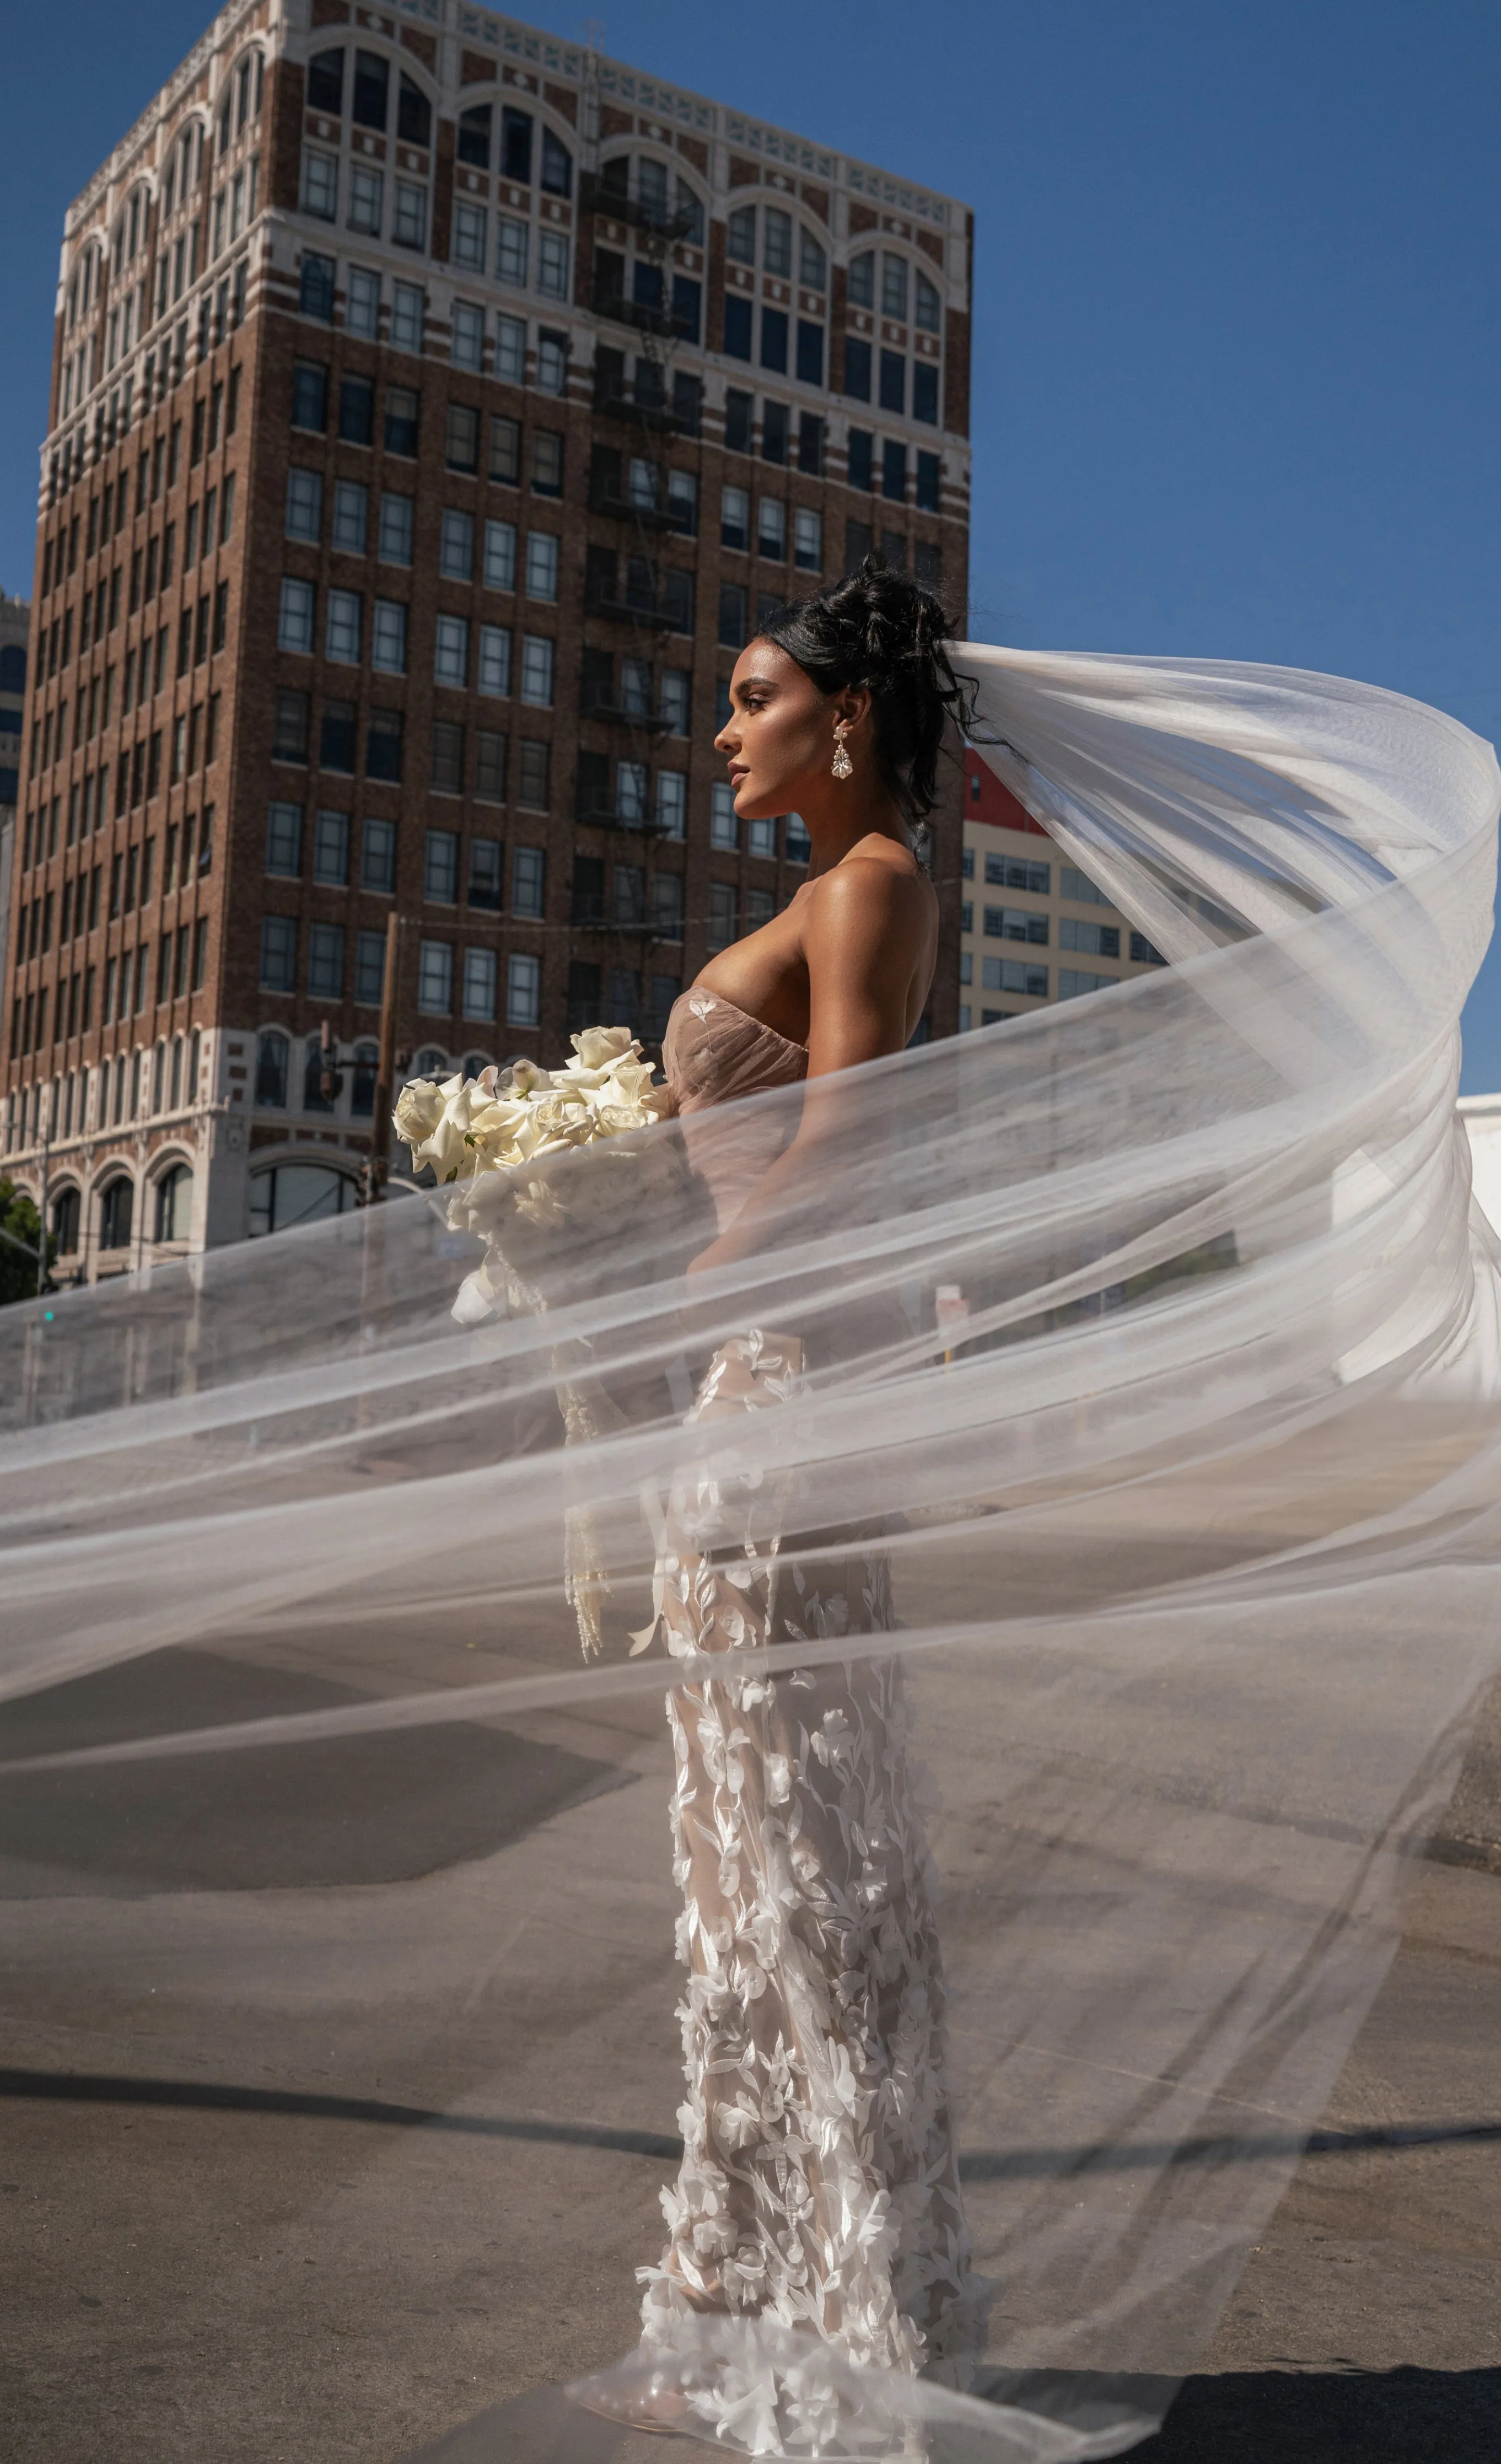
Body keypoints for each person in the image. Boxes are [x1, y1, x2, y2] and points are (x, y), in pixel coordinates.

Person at [614, 564, 983, 2438]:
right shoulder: (829, 885)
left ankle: (842, 2319)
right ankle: (740, 2289)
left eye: (749, 695)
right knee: (743, 1862)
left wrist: (672, 1298)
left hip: (777, 1416)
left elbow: (839, 1137)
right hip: (751, 1399)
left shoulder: (872, 882)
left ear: (841, 715)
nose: (722, 728)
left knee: (797, 1869)